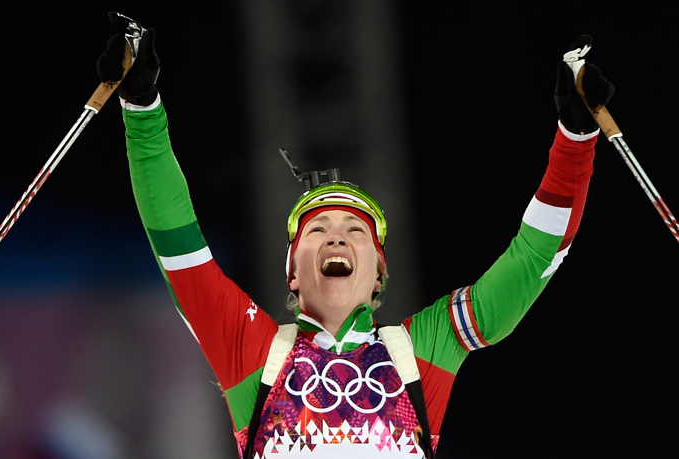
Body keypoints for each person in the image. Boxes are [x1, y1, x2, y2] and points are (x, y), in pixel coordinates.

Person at [97, 12, 613, 459]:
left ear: (380, 271)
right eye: (317, 230)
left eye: (355, 231)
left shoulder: (420, 350)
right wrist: (143, 113)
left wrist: (575, 138)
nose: (336, 237)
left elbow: (534, 255)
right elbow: (179, 246)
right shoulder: (254, 353)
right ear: (291, 272)